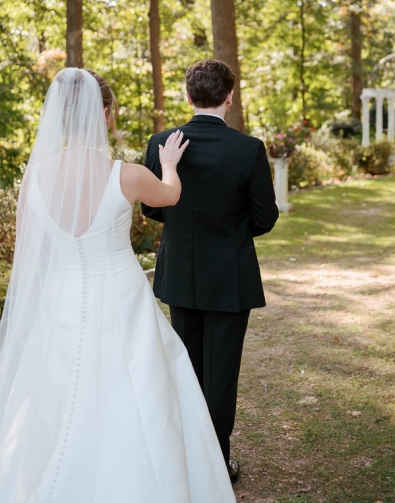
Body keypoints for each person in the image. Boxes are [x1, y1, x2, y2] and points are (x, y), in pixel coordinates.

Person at [0, 68, 234, 501]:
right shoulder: (127, 174)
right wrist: (169, 165)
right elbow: (170, 196)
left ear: (61, 120)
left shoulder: (35, 179)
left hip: (58, 300)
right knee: (138, 391)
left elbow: (30, 251)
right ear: (105, 115)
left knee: (54, 395)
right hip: (121, 298)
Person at [143, 59, 280, 484]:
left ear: (188, 96)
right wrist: (232, 231)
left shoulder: (161, 142)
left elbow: (152, 207)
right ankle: (215, 466)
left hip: (180, 276)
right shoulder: (248, 148)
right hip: (230, 278)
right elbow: (265, 218)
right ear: (229, 97)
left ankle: (184, 461)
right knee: (220, 376)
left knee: (184, 370)